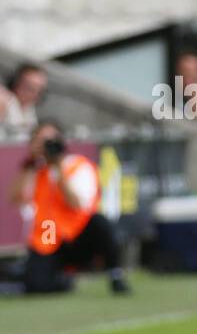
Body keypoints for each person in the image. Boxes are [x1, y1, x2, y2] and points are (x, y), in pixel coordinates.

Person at [17, 122, 129, 295]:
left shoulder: (77, 165)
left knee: (101, 223)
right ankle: (62, 280)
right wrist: (30, 164)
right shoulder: (34, 170)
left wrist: (58, 166)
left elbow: (76, 203)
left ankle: (115, 274)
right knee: (37, 285)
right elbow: (19, 198)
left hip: (78, 234)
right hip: (50, 234)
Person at [1, 63, 48, 140]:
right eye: (30, 87)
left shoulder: (30, 109)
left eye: (39, 90)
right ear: (15, 83)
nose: (35, 94)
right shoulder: (4, 100)